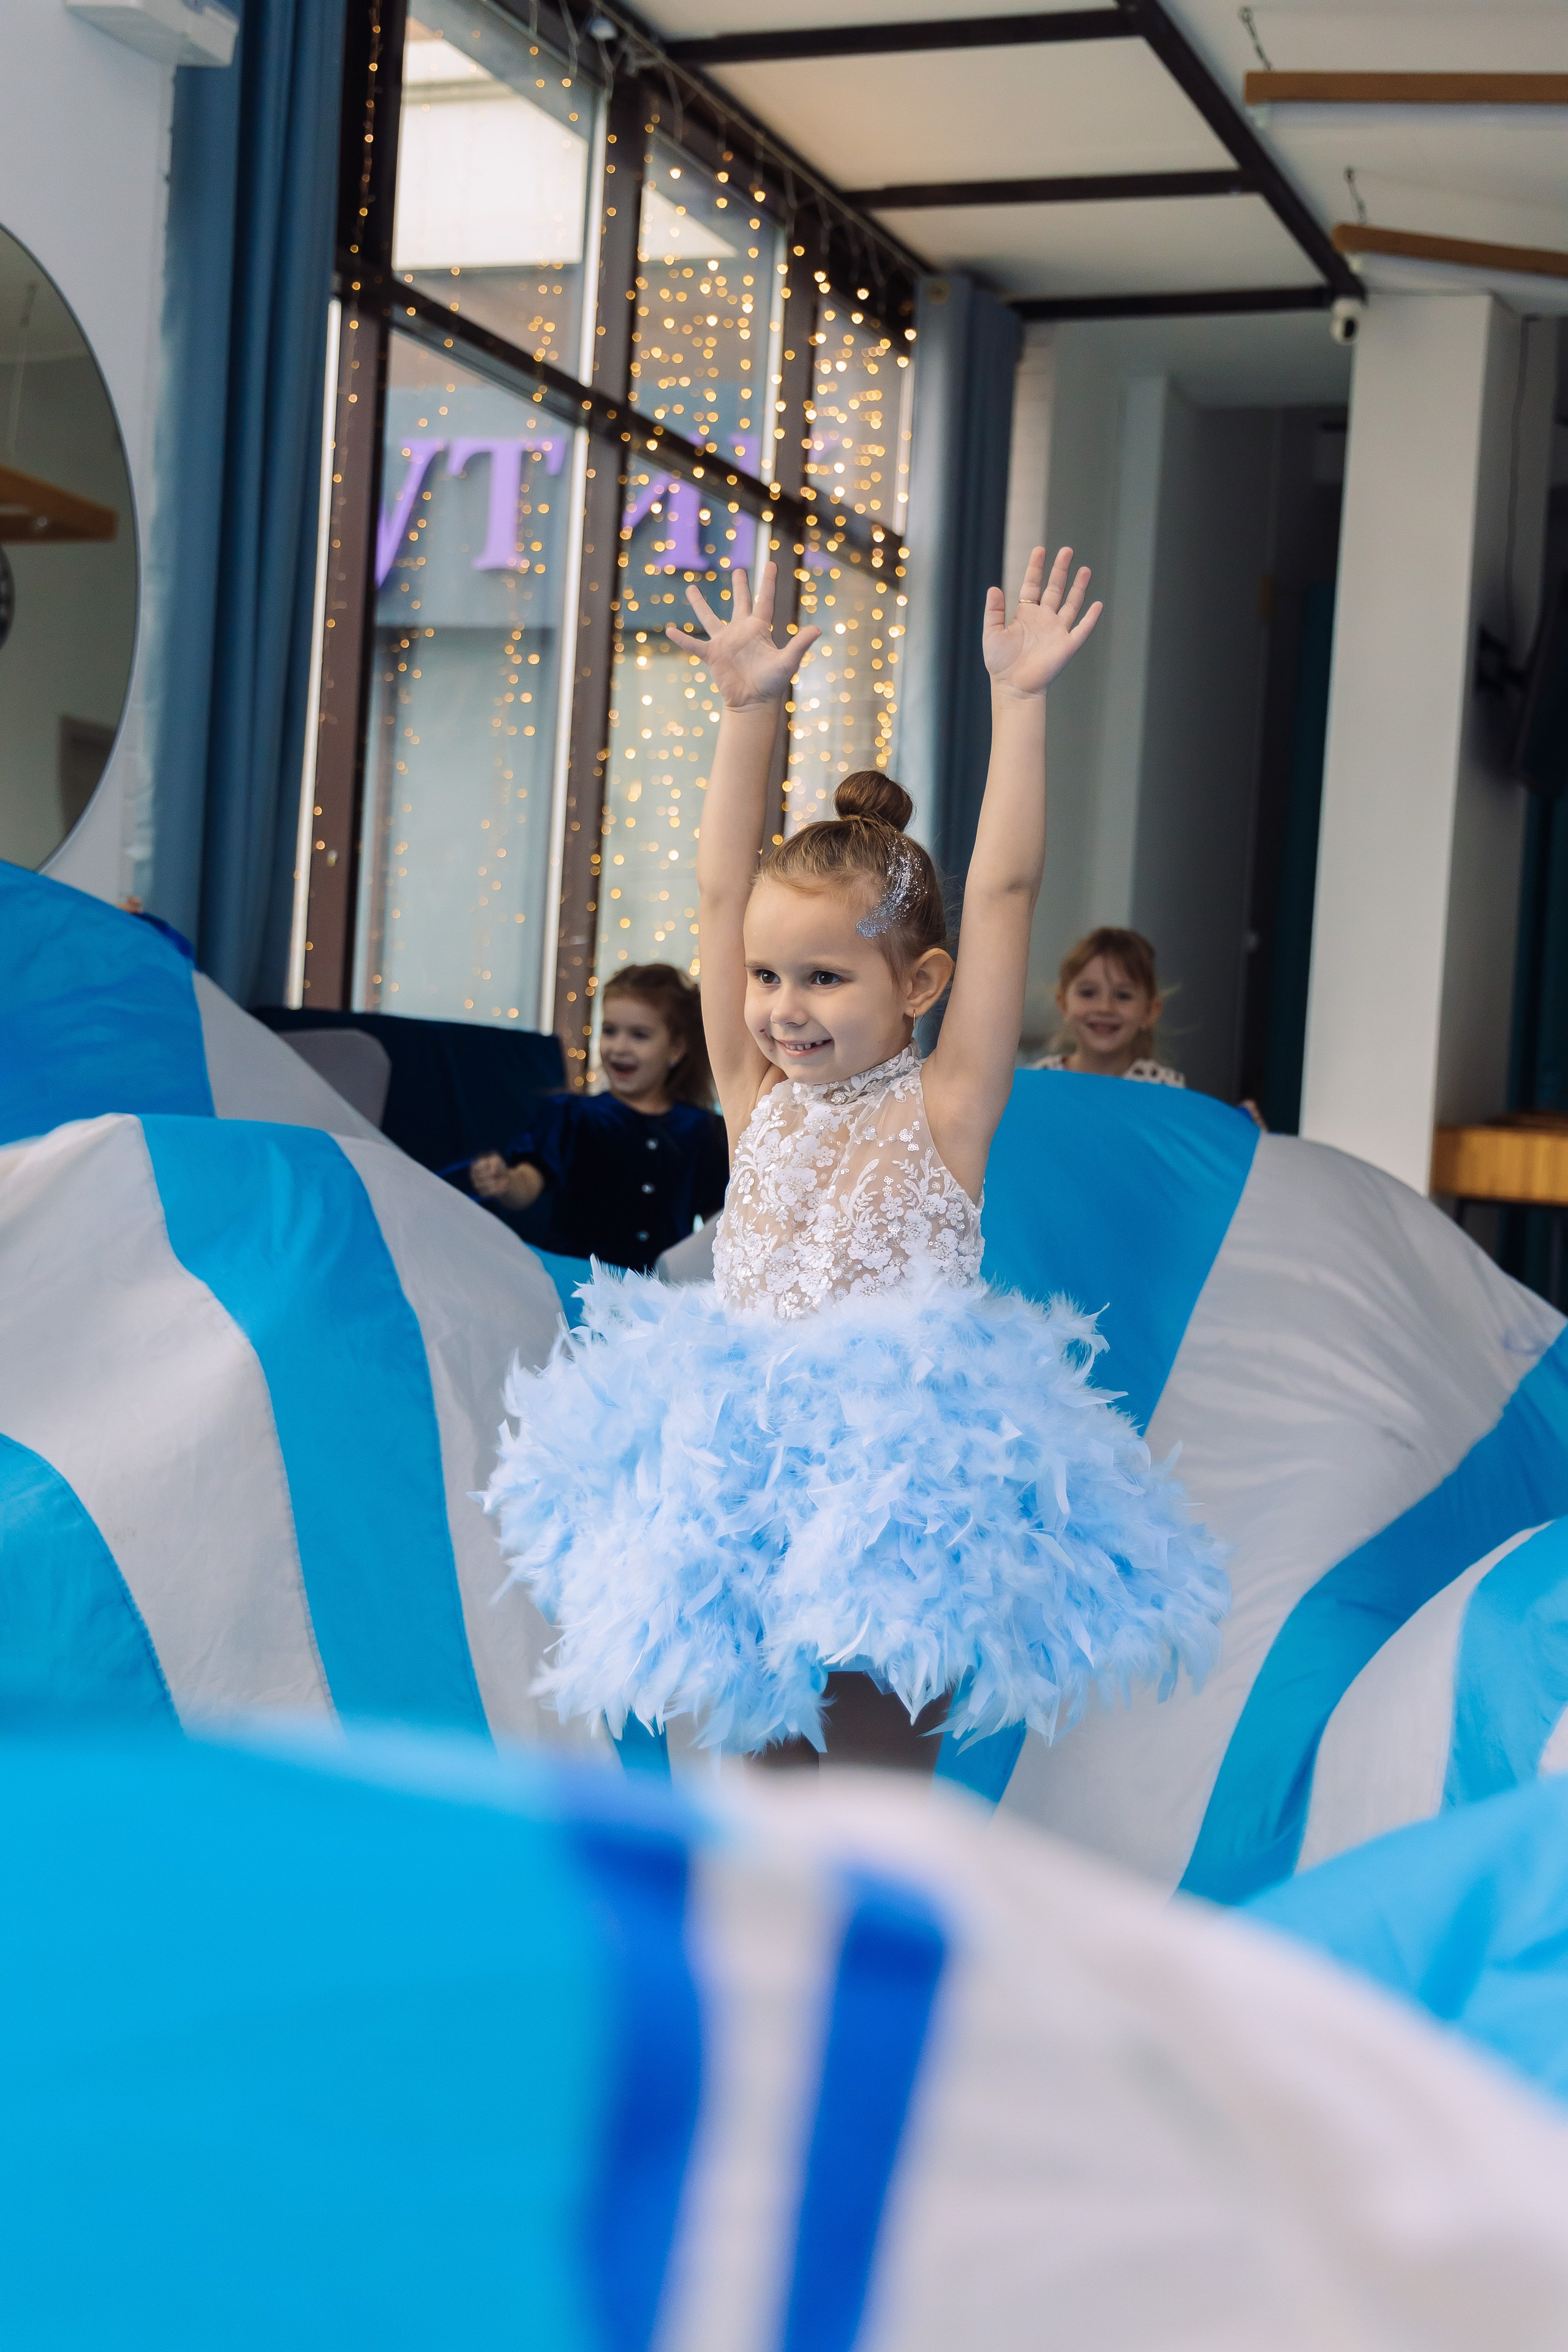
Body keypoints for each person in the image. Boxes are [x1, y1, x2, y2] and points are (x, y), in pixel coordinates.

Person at [486, 552, 1227, 1766]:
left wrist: (1022, 703)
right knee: (750, 1778)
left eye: (824, 978)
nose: (783, 1006)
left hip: (900, 1478)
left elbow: (1001, 890)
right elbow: (724, 893)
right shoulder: (751, 1090)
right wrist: (745, 716)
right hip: (736, 1466)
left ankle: (862, 1944)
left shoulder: (945, 1105)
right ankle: (753, 1946)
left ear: (918, 984)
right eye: (769, 978)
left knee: (873, 1788)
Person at [469, 964, 726, 1274]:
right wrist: (507, 1182)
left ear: (676, 1048)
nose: (619, 1047)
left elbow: (719, 1223)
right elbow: (529, 1180)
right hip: (578, 1287)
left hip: (657, 1301)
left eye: (639, 1035)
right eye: (610, 1031)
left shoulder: (702, 1129)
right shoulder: (573, 1116)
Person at [1031, 928, 1185, 1085]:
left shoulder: (1165, 1087)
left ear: (1150, 1012)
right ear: (1064, 1004)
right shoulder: (1039, 1080)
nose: (1105, 1007)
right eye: (1088, 993)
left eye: (1123, 996)